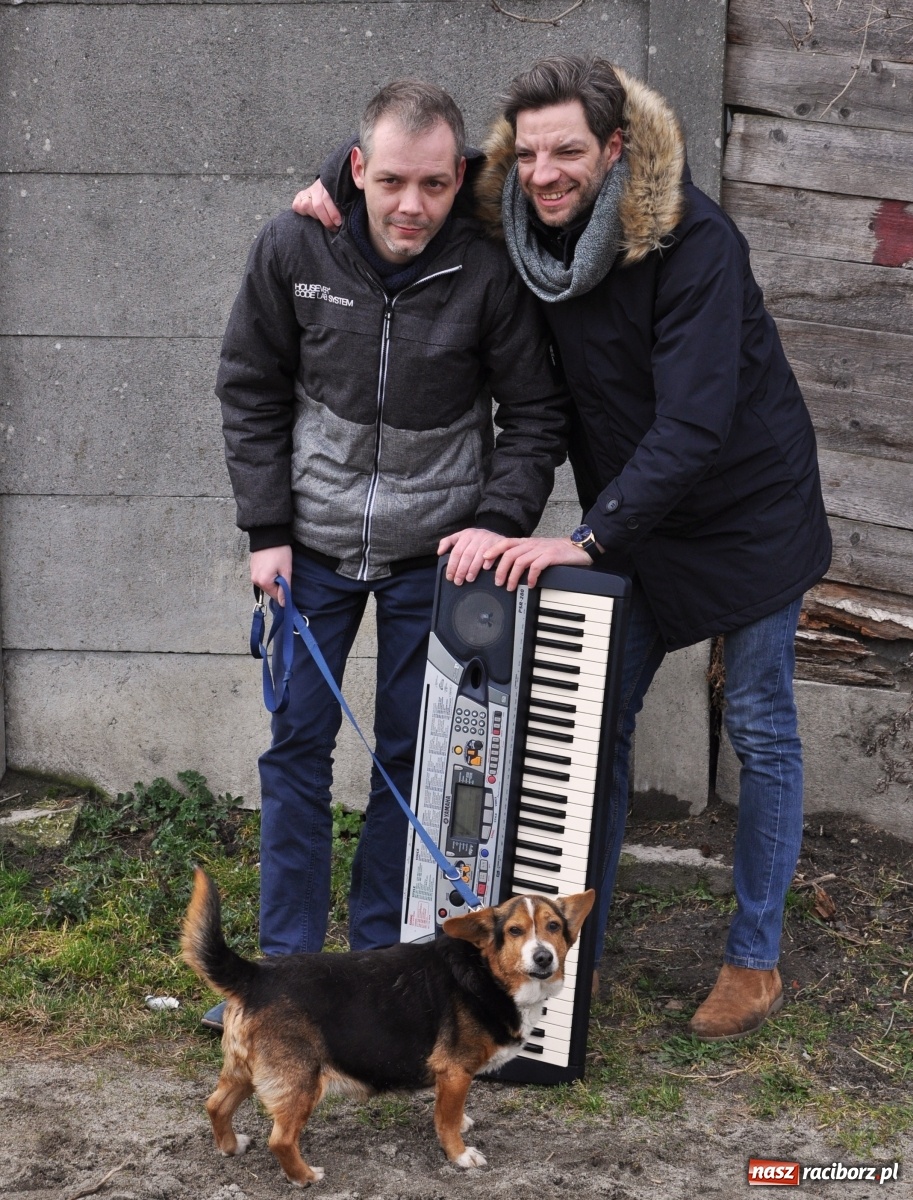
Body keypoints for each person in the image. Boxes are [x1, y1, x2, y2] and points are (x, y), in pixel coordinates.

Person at [295, 56, 832, 1041]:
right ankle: (576, 946)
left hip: (746, 516)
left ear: (615, 151)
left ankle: (753, 958)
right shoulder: (513, 217)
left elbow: (695, 425)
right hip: (636, 522)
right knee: (594, 731)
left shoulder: (694, 244)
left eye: (569, 153)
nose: (546, 173)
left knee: (758, 728)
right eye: (529, 152)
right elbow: (417, 158)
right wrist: (334, 182)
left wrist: (576, 539)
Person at [211, 80, 567, 1030]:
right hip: (310, 554)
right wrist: (267, 534)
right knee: (295, 752)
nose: (413, 207)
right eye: (394, 181)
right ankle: (283, 977)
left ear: (464, 180)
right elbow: (249, 387)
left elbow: (534, 417)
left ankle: (374, 969)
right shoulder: (294, 246)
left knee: (412, 763)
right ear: (357, 168)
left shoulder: (490, 269)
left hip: (434, 562)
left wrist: (494, 522)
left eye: (437, 186)